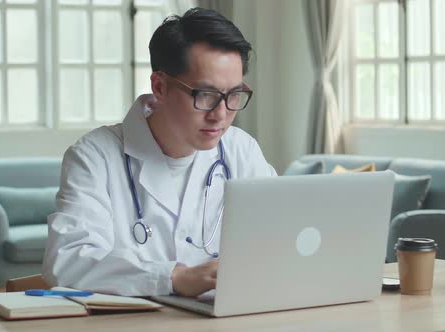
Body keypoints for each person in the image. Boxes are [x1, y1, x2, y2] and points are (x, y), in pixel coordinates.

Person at [42, 7, 276, 298]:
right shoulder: (95, 157)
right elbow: (67, 262)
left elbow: (282, 236)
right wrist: (173, 277)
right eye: (206, 95)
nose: (221, 114)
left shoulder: (241, 150)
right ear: (160, 86)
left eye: (233, 96)